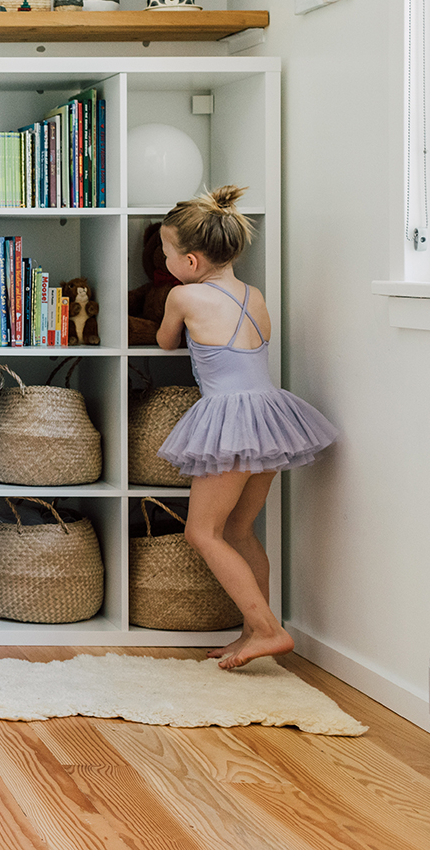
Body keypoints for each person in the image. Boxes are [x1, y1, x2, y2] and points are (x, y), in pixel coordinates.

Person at [156, 185, 338, 670]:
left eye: (167, 252)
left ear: (191, 262)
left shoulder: (183, 296)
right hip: (271, 417)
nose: (165, 261)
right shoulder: (253, 294)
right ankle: (252, 631)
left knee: (203, 532)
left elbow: (166, 342)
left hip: (230, 420)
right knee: (239, 529)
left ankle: (268, 629)